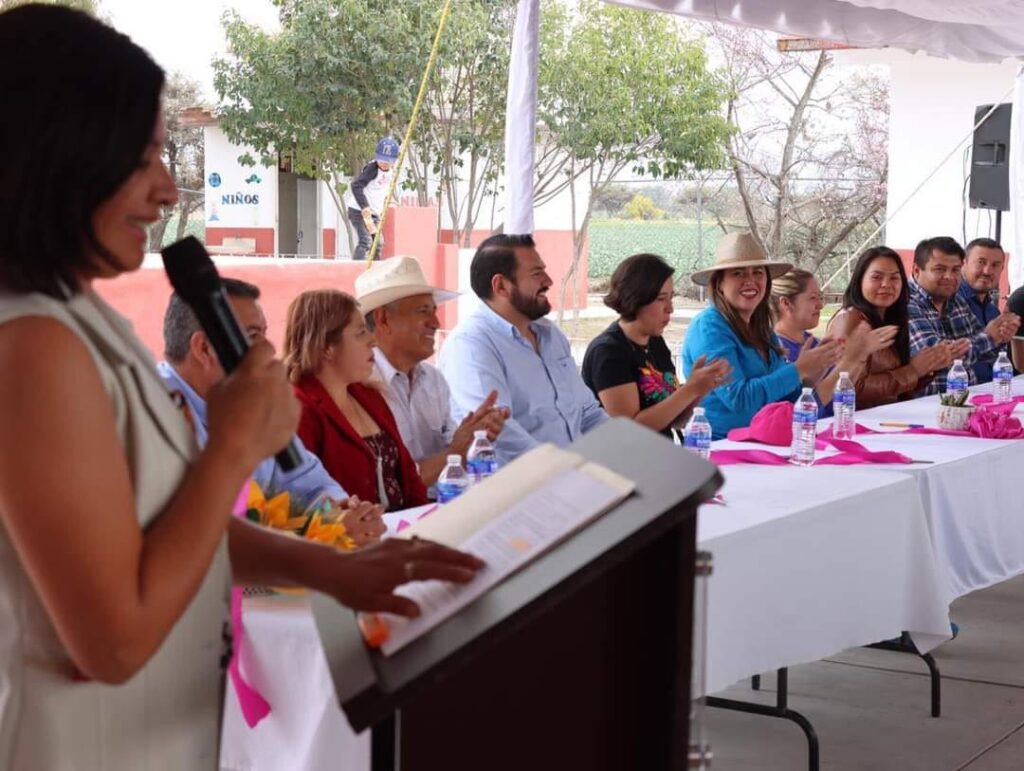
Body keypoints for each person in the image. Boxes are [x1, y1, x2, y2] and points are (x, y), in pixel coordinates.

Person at [0, 7, 481, 768]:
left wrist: (332, 568)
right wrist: (231, 446)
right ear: (59, 151)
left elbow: (154, 531)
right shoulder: (31, 346)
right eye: (144, 157)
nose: (167, 190)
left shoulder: (72, 314)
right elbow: (113, 640)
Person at [159, 277, 384, 546]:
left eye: (265, 334)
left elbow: (308, 482)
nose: (270, 349)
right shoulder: (151, 413)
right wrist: (314, 532)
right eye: (253, 336)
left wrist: (338, 514)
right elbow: (201, 532)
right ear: (204, 348)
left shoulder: (253, 401)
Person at [439, 234, 609, 464]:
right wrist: (566, 469)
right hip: (519, 487)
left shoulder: (551, 335)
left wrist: (624, 448)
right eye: (536, 273)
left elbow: (588, 413)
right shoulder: (471, 344)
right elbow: (502, 435)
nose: (548, 281)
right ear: (501, 286)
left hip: (573, 477)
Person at [356, 256, 509, 486]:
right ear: (383, 319)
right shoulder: (360, 385)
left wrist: (475, 436)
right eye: (423, 311)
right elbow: (388, 485)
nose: (435, 322)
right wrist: (457, 449)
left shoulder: (433, 380)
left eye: (433, 311)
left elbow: (455, 454)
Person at [681, 232, 842, 439]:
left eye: (758, 272)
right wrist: (799, 369)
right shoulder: (709, 327)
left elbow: (782, 398)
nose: (750, 281)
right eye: (738, 273)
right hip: (719, 448)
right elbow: (739, 401)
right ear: (719, 284)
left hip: (761, 443)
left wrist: (813, 372)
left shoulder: (762, 328)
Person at [284, 289, 429, 511]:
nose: (372, 340)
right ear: (327, 347)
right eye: (361, 332)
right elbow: (302, 498)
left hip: (400, 530)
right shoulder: (298, 409)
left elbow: (409, 476)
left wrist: (421, 522)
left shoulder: (369, 396)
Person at [581, 253, 731, 438]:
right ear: (635, 299)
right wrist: (690, 389)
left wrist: (700, 389)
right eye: (661, 299)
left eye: (671, 297)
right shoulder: (608, 352)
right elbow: (629, 431)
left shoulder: (655, 342)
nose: (670, 308)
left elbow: (676, 420)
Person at [827, 247, 956, 409]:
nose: (886, 284)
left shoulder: (892, 318)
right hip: (856, 425)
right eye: (877, 277)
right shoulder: (850, 320)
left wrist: (929, 365)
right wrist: (913, 370)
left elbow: (896, 391)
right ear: (860, 280)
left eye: (894, 278)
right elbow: (849, 390)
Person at [770, 268, 897, 414]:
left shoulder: (815, 343)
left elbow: (842, 386)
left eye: (820, 297)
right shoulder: (776, 350)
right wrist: (852, 359)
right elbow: (807, 404)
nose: (820, 305)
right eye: (813, 298)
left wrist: (860, 356)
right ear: (786, 303)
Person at [907, 236, 1018, 394]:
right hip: (919, 408)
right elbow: (937, 357)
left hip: (965, 401)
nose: (949, 277)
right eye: (940, 269)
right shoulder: (905, 301)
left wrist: (1002, 334)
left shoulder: (955, 300)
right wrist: (991, 337)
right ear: (917, 271)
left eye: (955, 270)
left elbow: (987, 352)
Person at [958, 237, 1008, 381]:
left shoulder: (994, 311)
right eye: (981, 262)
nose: (987, 271)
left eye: (995, 265)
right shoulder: (951, 304)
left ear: (1002, 269)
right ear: (964, 264)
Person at [345, 136, 400, 261]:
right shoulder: (372, 169)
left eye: (388, 161)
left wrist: (389, 201)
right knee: (365, 241)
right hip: (359, 211)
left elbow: (382, 189)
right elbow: (356, 186)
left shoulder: (391, 172)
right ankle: (356, 269)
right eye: (382, 160)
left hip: (373, 214)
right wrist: (364, 206)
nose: (384, 163)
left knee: (378, 243)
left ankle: (374, 270)